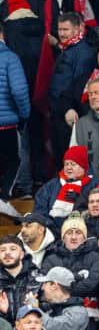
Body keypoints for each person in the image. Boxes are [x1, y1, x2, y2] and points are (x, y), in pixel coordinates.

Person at [49, 12, 96, 167]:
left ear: (77, 30)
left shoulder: (83, 53)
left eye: (66, 30)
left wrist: (69, 108)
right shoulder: (67, 49)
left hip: (69, 114)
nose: (61, 33)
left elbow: (78, 85)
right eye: (59, 29)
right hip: (58, 111)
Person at [41, 212, 99, 324]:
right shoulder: (50, 259)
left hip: (89, 315)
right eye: (69, 233)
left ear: (85, 237)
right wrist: (78, 279)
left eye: (78, 233)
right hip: (56, 314)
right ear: (63, 237)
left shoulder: (95, 257)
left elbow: (91, 286)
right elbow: (46, 287)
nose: (74, 237)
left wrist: (62, 289)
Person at [0, 21, 30, 200]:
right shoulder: (10, 58)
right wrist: (24, 114)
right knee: (13, 162)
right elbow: (18, 90)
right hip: (6, 125)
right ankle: (4, 200)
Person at [33, 146, 95, 228]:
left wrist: (79, 201)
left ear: (83, 166)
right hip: (49, 227)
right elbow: (39, 208)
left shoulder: (94, 185)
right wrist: (48, 223)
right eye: (66, 164)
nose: (69, 167)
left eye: (73, 164)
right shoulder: (52, 185)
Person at [0, 235, 40, 324]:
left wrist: (33, 310)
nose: (7, 253)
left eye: (13, 249)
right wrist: (4, 313)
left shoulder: (37, 278)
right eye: (2, 250)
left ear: (22, 254)